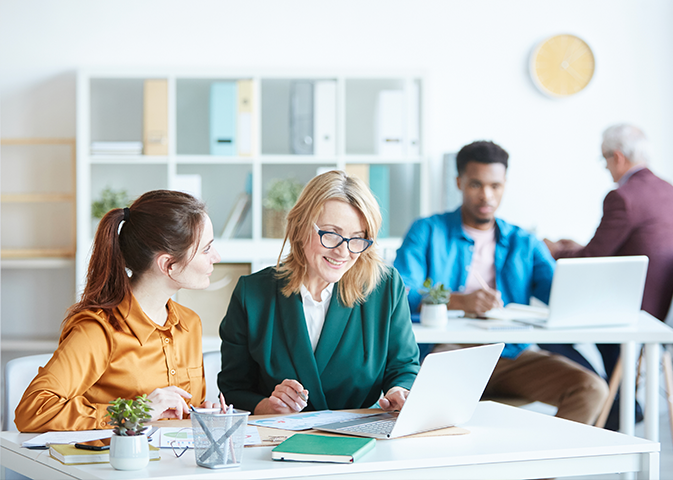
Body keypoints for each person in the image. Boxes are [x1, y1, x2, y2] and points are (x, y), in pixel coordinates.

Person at [394, 140, 609, 425]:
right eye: (476, 185)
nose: (486, 195)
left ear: (505, 184)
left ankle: (538, 472)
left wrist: (591, 287)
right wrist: (460, 301)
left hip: (507, 356)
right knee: (437, 423)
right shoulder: (427, 230)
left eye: (495, 186)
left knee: (592, 388)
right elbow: (400, 291)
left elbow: (559, 293)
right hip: (447, 356)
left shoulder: (524, 241)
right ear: (459, 182)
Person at [15, 190, 222, 432]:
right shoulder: (98, 330)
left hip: (175, 466)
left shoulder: (189, 323)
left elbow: (180, 413)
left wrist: (202, 414)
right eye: (206, 249)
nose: (216, 257)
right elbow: (33, 411)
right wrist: (134, 412)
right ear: (168, 265)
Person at [218, 170, 420, 415]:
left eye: (357, 239)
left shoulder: (385, 287)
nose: (343, 252)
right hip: (279, 438)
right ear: (301, 227)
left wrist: (398, 390)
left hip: (360, 438)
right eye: (332, 235)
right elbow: (233, 389)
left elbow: (403, 367)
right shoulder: (252, 294)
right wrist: (269, 406)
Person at [543, 124, 673, 429]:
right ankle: (620, 401)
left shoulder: (622, 197)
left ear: (618, 156)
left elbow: (591, 259)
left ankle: (609, 399)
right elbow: (631, 247)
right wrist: (576, 247)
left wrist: (553, 250)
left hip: (633, 310)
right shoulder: (670, 191)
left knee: (550, 328)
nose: (607, 168)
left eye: (605, 160)